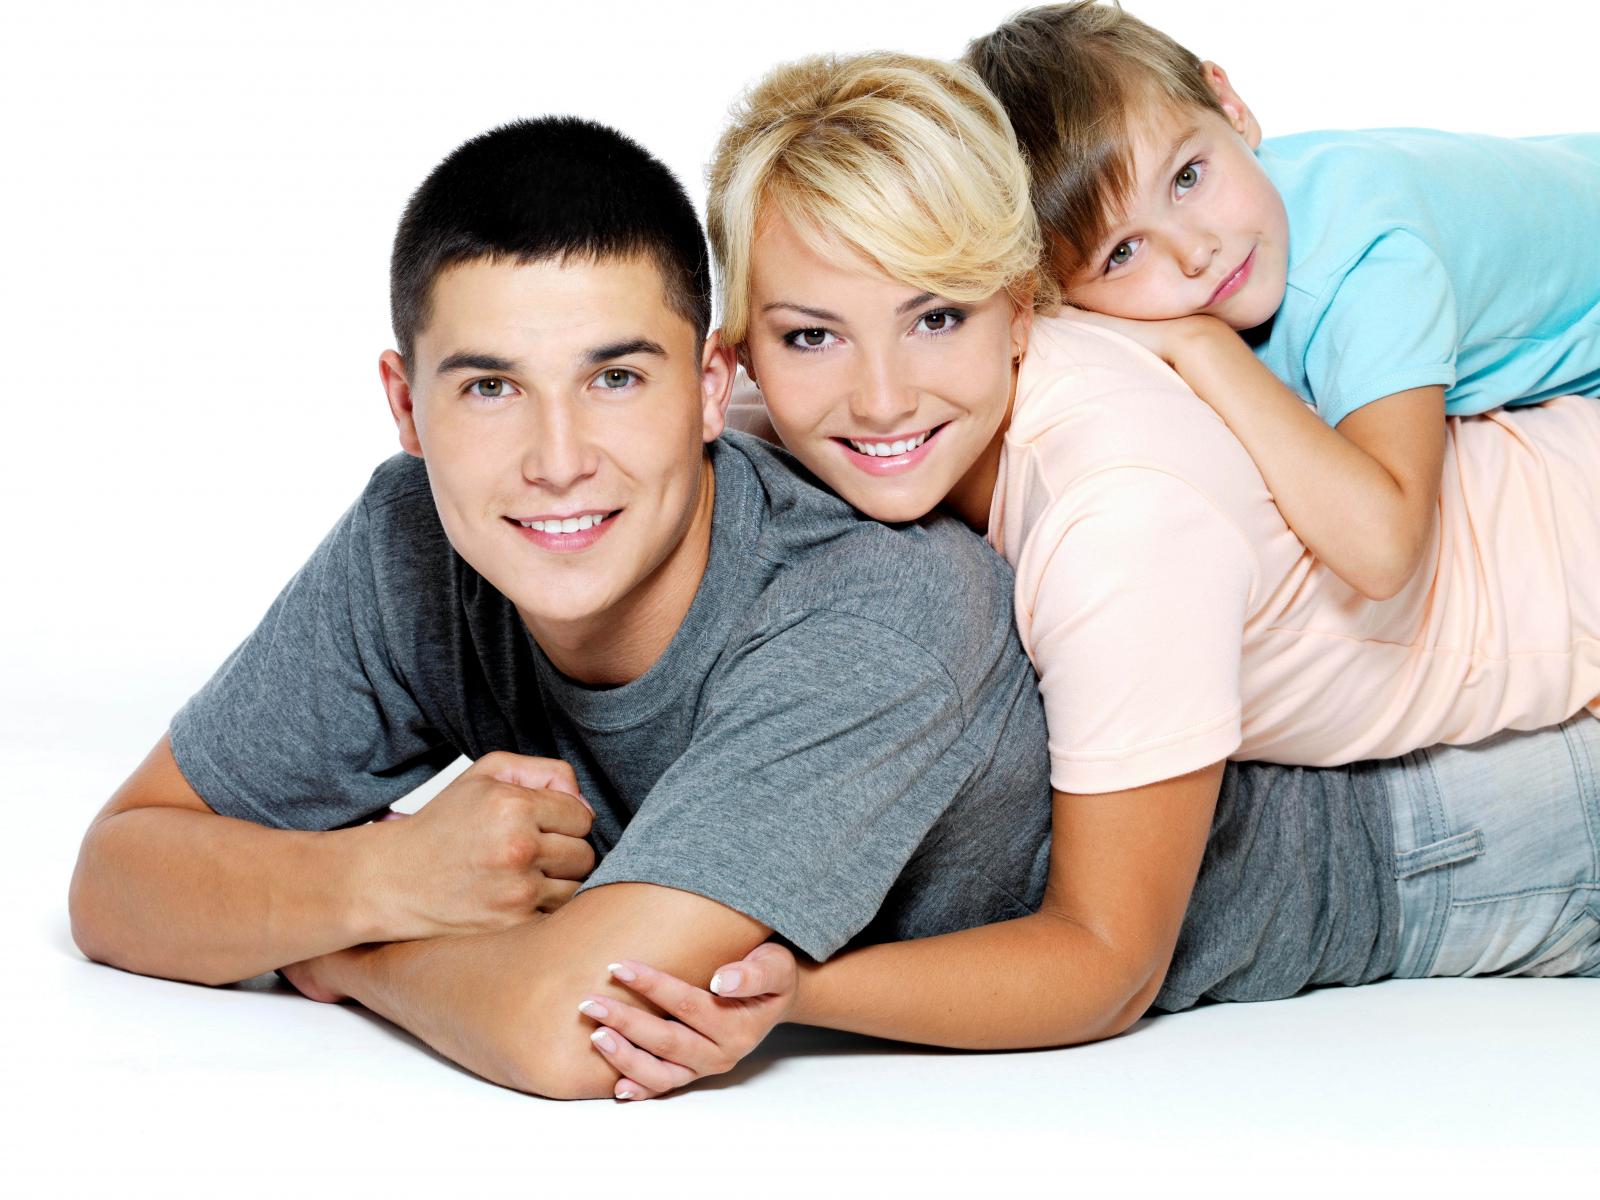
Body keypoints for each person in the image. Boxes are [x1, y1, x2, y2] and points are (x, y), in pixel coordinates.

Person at [587, 51, 1600, 1100]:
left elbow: (1111, 964)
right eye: (812, 336)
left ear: (1022, 310)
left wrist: (793, 992)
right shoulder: (815, 415)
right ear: (742, 358)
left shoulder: (1122, 518)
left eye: (937, 318)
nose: (881, 398)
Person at [66, 115, 1062, 1100]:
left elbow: (570, 1031)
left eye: (615, 378)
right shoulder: (412, 539)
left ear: (710, 388)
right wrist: (387, 876)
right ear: (407, 406)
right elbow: (115, 882)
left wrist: (343, 952)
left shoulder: (875, 615)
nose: (557, 462)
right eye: (491, 388)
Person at [967, 1, 1600, 602]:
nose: (1196, 251)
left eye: (1187, 177)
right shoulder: (1239, 204)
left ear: (1229, 105)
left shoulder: (1369, 269)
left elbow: (1385, 551)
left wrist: (1202, 346)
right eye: (1123, 252)